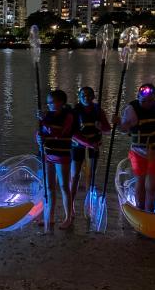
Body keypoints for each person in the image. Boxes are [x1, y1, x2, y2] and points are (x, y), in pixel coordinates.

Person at [115, 83, 155, 213]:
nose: (147, 104)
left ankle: (150, 212)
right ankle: (140, 209)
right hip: (139, 152)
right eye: (144, 101)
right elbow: (124, 129)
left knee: (153, 186)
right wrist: (118, 124)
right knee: (141, 181)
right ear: (138, 97)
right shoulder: (131, 109)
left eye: (150, 101)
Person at [36, 90, 74, 230]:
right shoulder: (46, 116)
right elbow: (42, 133)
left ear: (61, 102)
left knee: (64, 186)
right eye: (48, 102)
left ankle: (68, 217)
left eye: (52, 102)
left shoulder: (68, 116)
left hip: (62, 154)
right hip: (48, 154)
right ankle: (50, 217)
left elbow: (59, 133)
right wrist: (38, 138)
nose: (49, 105)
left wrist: (44, 121)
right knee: (49, 187)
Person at [70, 87, 111, 209]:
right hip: (78, 147)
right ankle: (71, 202)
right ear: (79, 96)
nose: (86, 97)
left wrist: (101, 126)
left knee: (91, 175)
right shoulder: (75, 111)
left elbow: (108, 130)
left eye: (89, 95)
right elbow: (72, 133)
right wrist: (88, 143)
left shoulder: (98, 111)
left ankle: (88, 203)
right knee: (75, 175)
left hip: (94, 147)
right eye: (83, 95)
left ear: (93, 97)